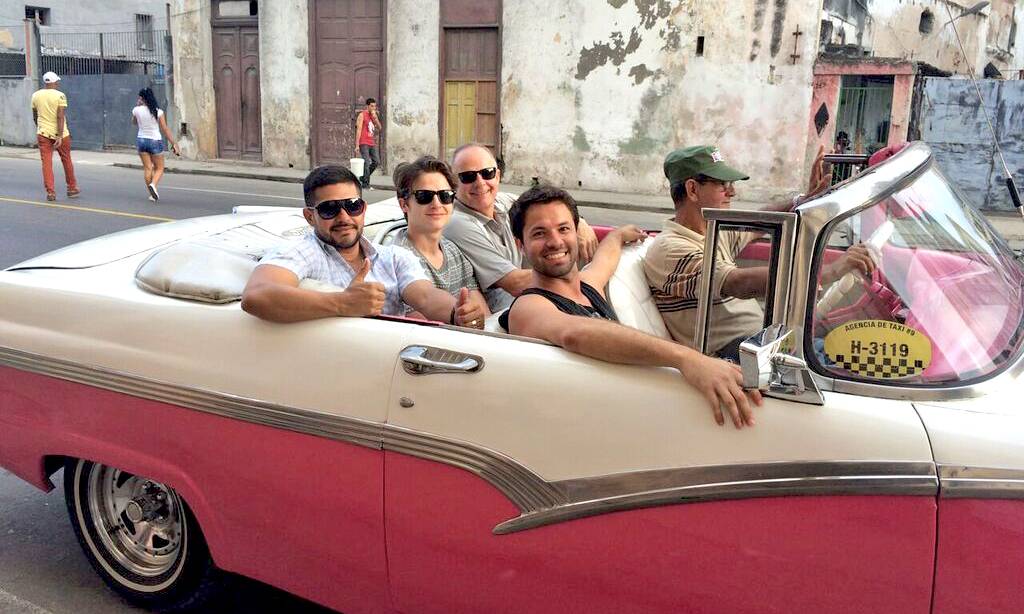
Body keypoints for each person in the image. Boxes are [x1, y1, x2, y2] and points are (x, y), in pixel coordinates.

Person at [502, 186, 762, 429]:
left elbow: (606, 257)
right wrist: (688, 359)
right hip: (584, 420)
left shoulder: (587, 285)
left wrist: (618, 235)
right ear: (520, 244)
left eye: (563, 229)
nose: (555, 241)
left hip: (624, 409)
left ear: (576, 232)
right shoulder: (529, 306)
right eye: (539, 233)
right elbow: (574, 333)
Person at [643, 145, 874, 360]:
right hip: (731, 356)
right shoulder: (669, 249)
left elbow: (758, 221)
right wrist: (828, 272)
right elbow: (737, 282)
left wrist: (804, 200)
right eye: (722, 185)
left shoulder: (714, 229)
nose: (731, 192)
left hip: (762, 341)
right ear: (692, 189)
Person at [241, 165, 486, 329]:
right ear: (309, 216)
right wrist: (341, 304)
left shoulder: (393, 257)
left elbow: (424, 295)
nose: (344, 217)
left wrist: (457, 312)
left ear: (364, 209)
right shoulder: (303, 252)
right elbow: (256, 296)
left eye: (353, 206)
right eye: (329, 209)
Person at [443, 143, 599, 312]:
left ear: (498, 176)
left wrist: (580, 224)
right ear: (454, 184)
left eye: (487, 173)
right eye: (468, 177)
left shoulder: (504, 202)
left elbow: (550, 205)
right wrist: (582, 279)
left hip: (534, 300)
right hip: (507, 315)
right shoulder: (456, 222)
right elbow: (515, 283)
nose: (480, 183)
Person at [391, 155, 489, 316]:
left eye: (445, 195)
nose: (437, 204)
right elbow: (420, 329)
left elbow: (483, 316)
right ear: (404, 204)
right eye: (424, 196)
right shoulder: (396, 259)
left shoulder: (453, 250)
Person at [31, 71, 79, 202]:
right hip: (61, 134)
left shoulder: (35, 95)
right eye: (57, 81)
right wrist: (58, 135)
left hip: (43, 133)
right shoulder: (60, 96)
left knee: (46, 163)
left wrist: (39, 127)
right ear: (54, 82)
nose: (58, 83)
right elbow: (60, 116)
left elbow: (35, 115)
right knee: (66, 159)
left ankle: (50, 192)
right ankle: (72, 187)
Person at [131, 88, 180, 202]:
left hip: (142, 140)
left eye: (139, 97)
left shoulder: (136, 110)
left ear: (142, 98)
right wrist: (174, 143)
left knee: (148, 168)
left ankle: (152, 193)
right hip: (154, 141)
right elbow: (165, 129)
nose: (138, 99)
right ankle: (153, 185)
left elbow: (134, 123)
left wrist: (137, 107)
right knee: (160, 168)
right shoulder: (158, 111)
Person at [354, 98, 381, 189]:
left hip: (371, 142)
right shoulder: (362, 115)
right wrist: (357, 145)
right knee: (366, 162)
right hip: (363, 142)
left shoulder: (374, 116)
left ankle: (363, 177)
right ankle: (366, 184)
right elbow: (358, 130)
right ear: (367, 106)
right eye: (372, 106)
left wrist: (375, 118)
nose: (374, 108)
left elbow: (380, 127)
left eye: (375, 106)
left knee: (376, 162)